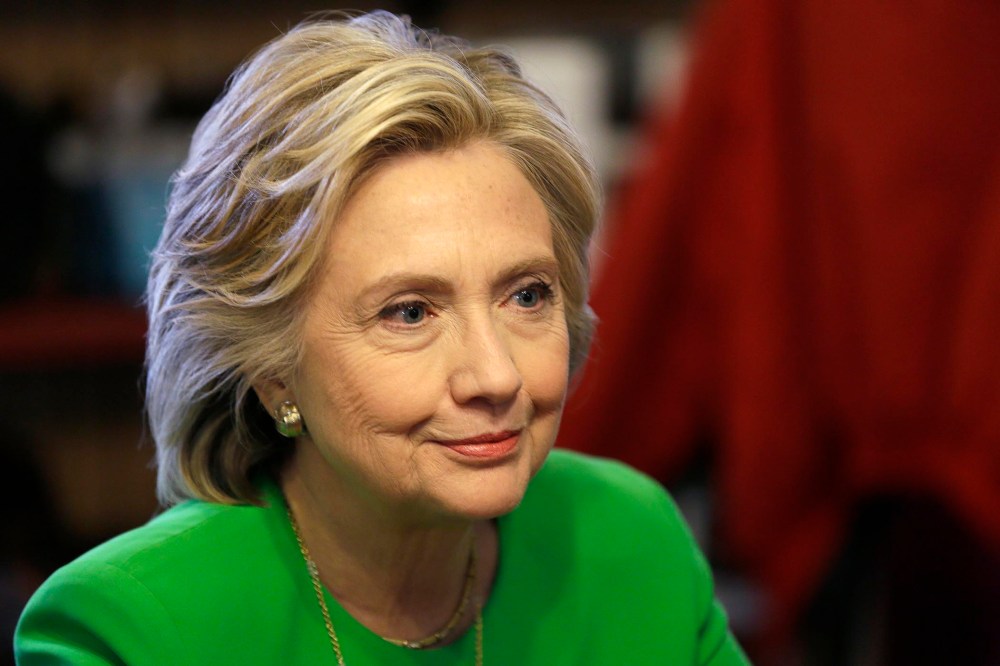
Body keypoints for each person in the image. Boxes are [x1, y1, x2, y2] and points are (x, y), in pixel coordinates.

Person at [15, 12, 748, 665]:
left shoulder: (629, 539)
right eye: (409, 314)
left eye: (526, 295)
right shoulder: (128, 630)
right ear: (273, 374)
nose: (496, 377)